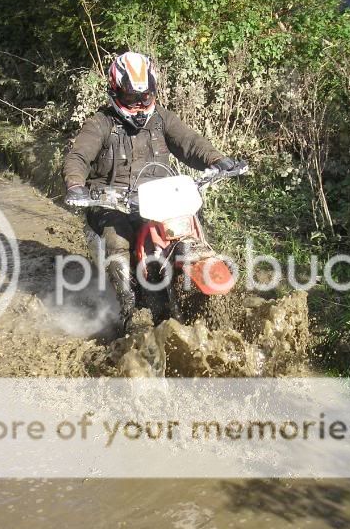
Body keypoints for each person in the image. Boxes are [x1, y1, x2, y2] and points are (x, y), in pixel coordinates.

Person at [63, 51, 242, 331]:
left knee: (193, 223)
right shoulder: (100, 124)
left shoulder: (161, 119)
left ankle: (194, 290)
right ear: (115, 91)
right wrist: (76, 185)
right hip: (113, 201)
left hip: (159, 200)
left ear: (153, 90)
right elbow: (78, 157)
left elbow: (190, 143)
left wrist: (218, 160)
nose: (138, 104)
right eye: (131, 98)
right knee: (117, 239)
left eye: (144, 97)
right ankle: (129, 308)